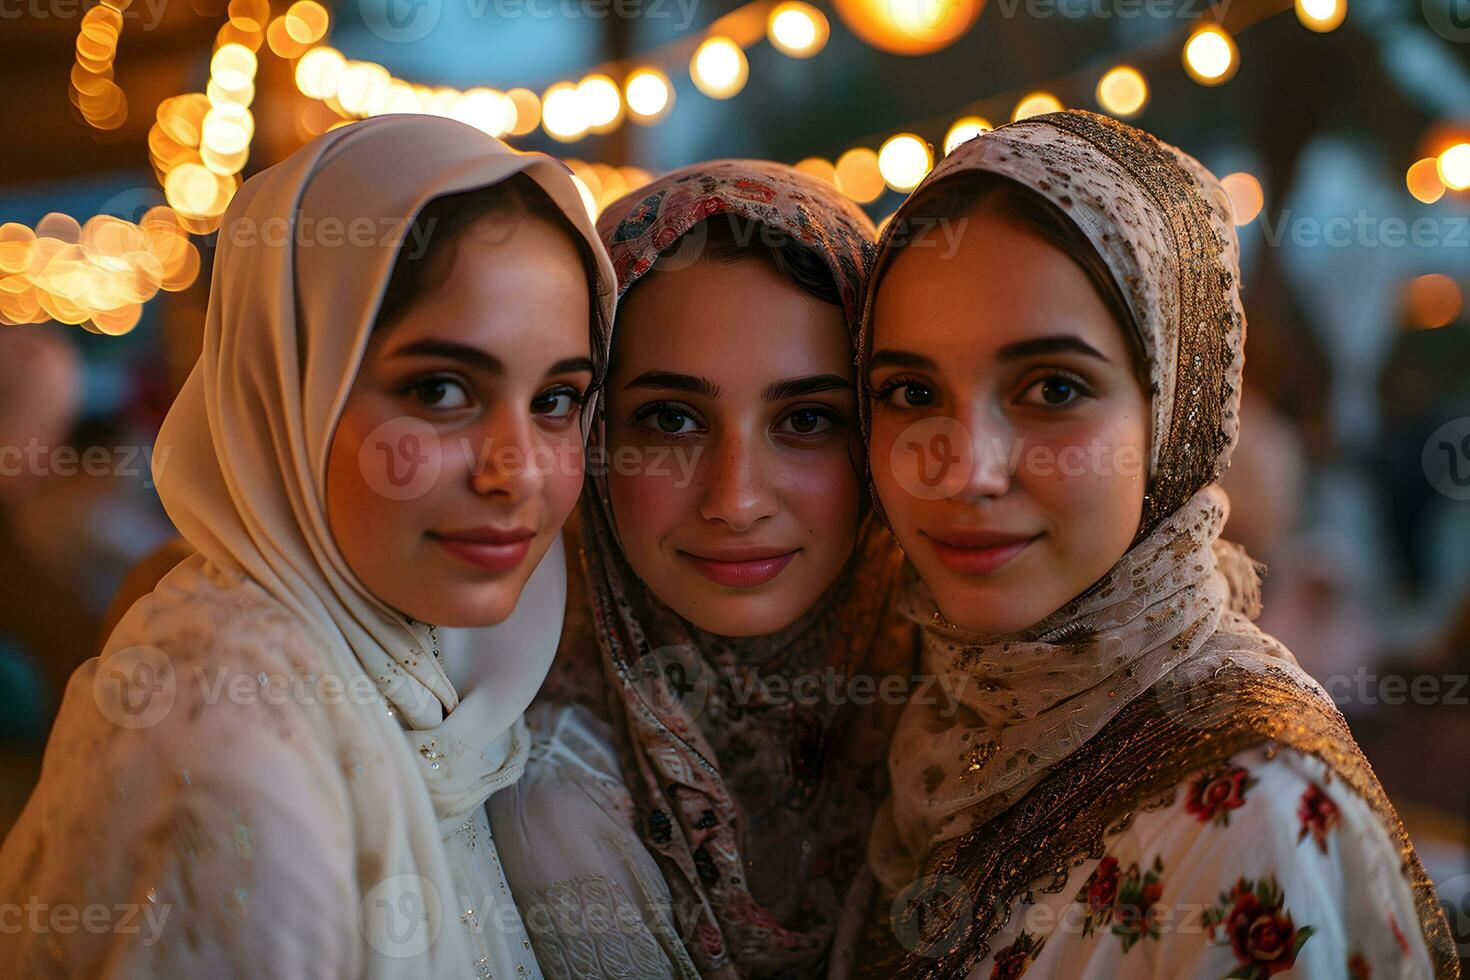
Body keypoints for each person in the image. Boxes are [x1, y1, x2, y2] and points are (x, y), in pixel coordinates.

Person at [842, 110, 1456, 978]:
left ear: (1176, 420)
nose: (964, 472)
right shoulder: (936, 723)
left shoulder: (1254, 815)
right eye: (909, 390)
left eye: (1052, 388)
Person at [0, 114, 615, 979]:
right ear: (287, 392)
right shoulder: (220, 733)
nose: (516, 472)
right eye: (441, 390)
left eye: (557, 400)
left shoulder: (447, 684)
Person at [489, 161, 917, 979]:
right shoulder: (553, 810)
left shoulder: (979, 720)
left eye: (806, 419)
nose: (737, 500)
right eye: (673, 418)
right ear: (593, 434)